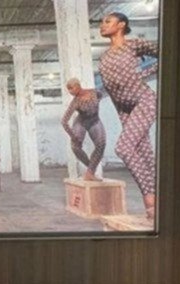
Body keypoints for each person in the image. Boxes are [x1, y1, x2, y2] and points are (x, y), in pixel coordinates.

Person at [99, 11, 158, 218]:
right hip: (124, 108)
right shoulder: (104, 57)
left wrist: (144, 73)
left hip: (144, 101)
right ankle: (157, 206)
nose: (102, 25)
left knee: (123, 148)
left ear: (121, 24)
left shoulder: (133, 45)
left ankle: (150, 197)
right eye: (102, 22)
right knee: (145, 154)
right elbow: (112, 90)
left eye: (108, 21)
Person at [61, 78, 106, 181]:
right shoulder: (75, 102)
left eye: (71, 88)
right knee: (75, 147)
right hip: (81, 123)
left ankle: (90, 172)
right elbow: (64, 121)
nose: (70, 92)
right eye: (68, 89)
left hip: (95, 121)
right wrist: (73, 136)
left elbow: (103, 94)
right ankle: (91, 169)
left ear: (77, 86)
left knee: (101, 144)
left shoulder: (95, 93)